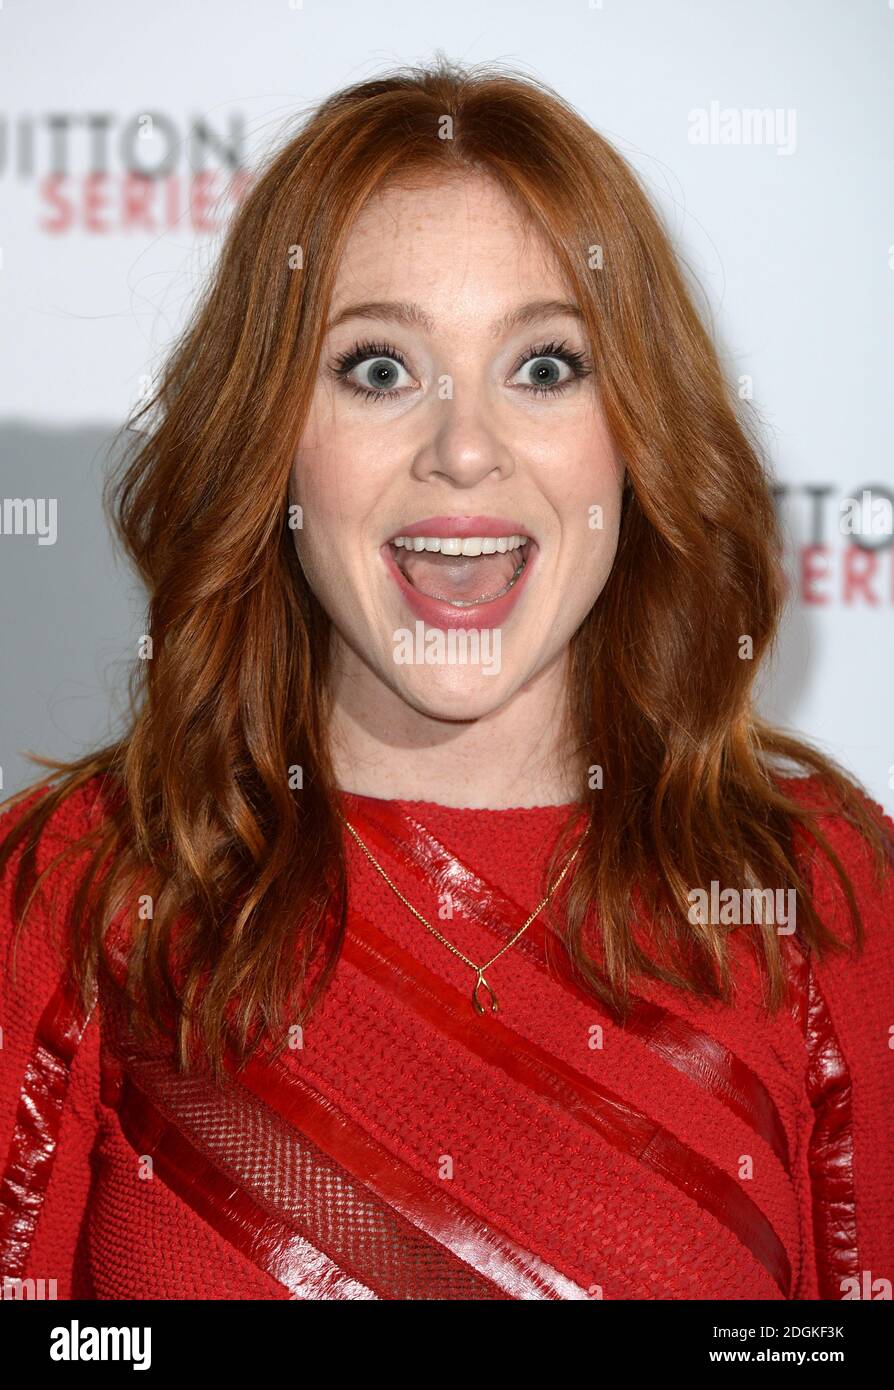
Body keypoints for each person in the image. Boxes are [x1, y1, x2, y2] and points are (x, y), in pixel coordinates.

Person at [1, 58, 892, 1301]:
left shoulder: (822, 898)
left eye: (544, 367)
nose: (464, 449)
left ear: (636, 439)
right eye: (377, 368)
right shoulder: (69, 888)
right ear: (273, 444)